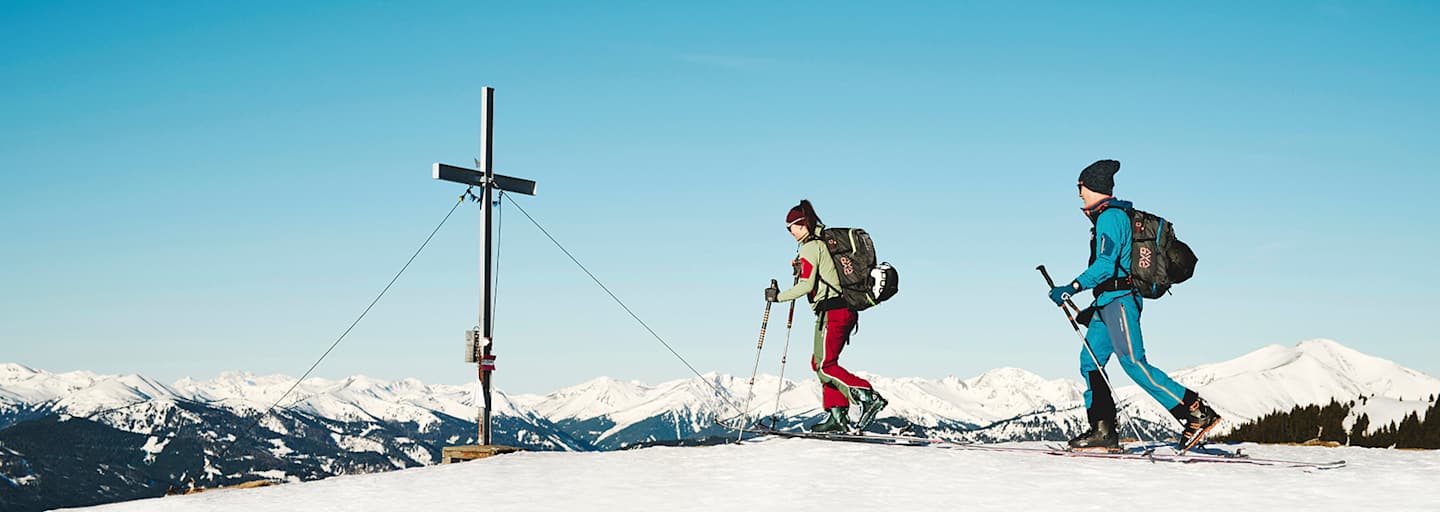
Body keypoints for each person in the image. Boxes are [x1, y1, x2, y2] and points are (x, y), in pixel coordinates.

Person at [1048, 160, 1221, 452]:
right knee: (1090, 363)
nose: (1079, 194)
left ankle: (1195, 411)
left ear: (1094, 187)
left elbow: (1105, 265)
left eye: (1080, 187)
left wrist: (1072, 288)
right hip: (1106, 302)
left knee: (1133, 363)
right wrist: (1093, 307)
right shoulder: (1106, 218)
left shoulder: (1110, 218)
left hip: (1120, 301)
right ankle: (1103, 431)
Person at [765, 200, 887, 433]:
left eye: (789, 227)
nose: (789, 232)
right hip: (841, 310)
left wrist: (778, 297)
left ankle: (867, 397)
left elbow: (806, 285)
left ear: (800, 225)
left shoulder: (810, 247)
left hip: (832, 311)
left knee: (825, 365)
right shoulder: (820, 245)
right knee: (820, 363)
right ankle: (836, 415)